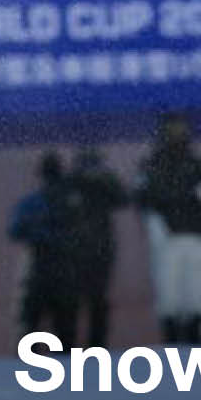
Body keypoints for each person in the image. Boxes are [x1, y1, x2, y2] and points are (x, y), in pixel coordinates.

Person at [135, 113, 201, 345]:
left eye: (180, 130)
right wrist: (155, 222)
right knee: (168, 289)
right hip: (166, 237)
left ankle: (194, 335)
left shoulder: (196, 164)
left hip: (195, 234)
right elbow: (142, 197)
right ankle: (171, 337)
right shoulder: (152, 164)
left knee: (197, 289)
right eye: (172, 130)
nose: (176, 135)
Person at [8, 152, 84, 348]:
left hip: (43, 264)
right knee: (63, 325)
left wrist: (39, 230)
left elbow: (15, 231)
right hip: (61, 265)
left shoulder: (33, 201)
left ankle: (30, 360)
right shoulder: (70, 201)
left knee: (34, 322)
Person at [68, 147, 128, 347]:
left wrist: (105, 178)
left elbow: (123, 198)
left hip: (100, 249)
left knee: (98, 298)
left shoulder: (104, 186)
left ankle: (97, 343)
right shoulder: (71, 185)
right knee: (71, 300)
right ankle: (68, 344)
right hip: (75, 251)